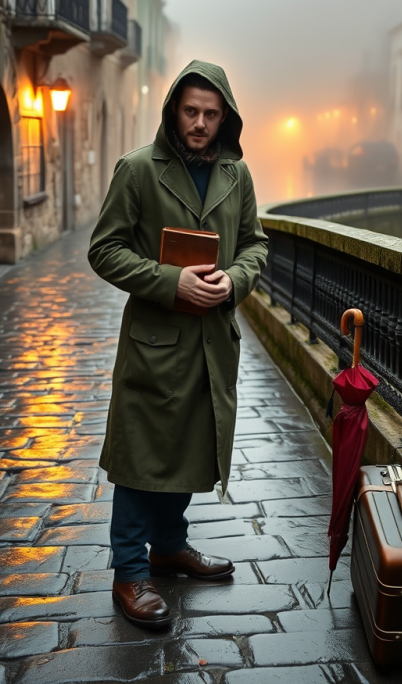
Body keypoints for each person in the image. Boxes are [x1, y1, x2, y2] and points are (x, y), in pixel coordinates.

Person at [88, 60, 269, 628]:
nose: (200, 123)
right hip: (154, 340)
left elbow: (256, 246)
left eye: (211, 114)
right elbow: (105, 249)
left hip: (212, 341)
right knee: (141, 455)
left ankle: (169, 547)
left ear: (226, 119)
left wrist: (233, 282)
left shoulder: (236, 176)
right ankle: (130, 574)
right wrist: (172, 282)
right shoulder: (138, 170)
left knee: (191, 444)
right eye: (191, 111)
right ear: (174, 110)